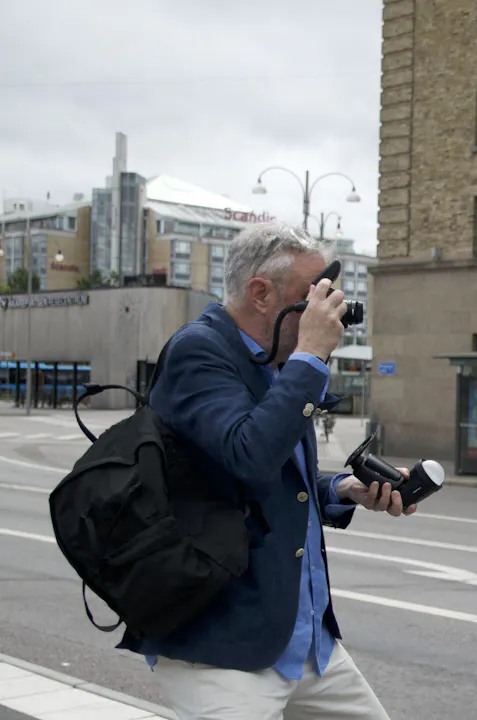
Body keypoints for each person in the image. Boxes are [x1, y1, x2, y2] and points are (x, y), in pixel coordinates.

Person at [122, 222, 414, 719]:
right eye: (311, 298)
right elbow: (249, 453)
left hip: (303, 639)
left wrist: (343, 488)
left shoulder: (275, 365)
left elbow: (268, 479)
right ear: (261, 293)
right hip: (223, 644)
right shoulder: (201, 350)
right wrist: (310, 354)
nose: (326, 314)